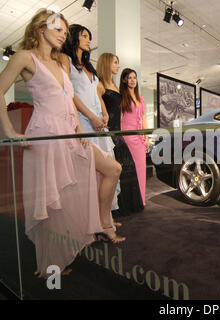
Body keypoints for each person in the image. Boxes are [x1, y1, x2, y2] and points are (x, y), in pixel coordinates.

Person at [0, 9, 124, 277]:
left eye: (65, 31)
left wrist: (77, 127)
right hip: (46, 134)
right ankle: (52, 266)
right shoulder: (24, 58)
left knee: (112, 169)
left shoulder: (61, 62)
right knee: (52, 203)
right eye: (58, 30)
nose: (64, 35)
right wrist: (9, 130)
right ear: (40, 29)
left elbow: (67, 98)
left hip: (69, 135)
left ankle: (98, 226)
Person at [59, 24, 121, 214]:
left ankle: (105, 217)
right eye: (84, 36)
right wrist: (91, 116)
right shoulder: (65, 59)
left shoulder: (88, 65)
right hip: (82, 121)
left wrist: (104, 113)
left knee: (106, 172)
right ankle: (90, 220)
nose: (88, 40)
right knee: (87, 174)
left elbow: (96, 93)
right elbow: (69, 93)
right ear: (73, 37)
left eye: (89, 37)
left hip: (98, 124)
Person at [97, 54, 144, 214]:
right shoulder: (101, 85)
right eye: (115, 63)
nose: (118, 65)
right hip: (109, 134)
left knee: (128, 169)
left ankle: (128, 207)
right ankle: (114, 212)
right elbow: (96, 107)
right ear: (107, 63)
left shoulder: (116, 87)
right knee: (115, 172)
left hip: (119, 134)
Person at [120, 69, 148, 207]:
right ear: (124, 80)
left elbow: (143, 117)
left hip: (140, 139)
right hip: (127, 138)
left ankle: (141, 199)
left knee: (141, 170)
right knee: (131, 171)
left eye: (134, 77)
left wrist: (146, 137)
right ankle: (132, 201)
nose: (132, 80)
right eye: (129, 77)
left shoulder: (140, 98)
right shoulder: (122, 97)